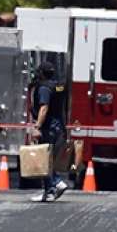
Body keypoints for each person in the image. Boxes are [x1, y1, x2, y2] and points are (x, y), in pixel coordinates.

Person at [30, 61, 70, 202]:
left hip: (49, 127)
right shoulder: (57, 87)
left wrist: (37, 127)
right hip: (58, 126)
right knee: (46, 159)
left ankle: (57, 182)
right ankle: (49, 192)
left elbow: (44, 108)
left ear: (41, 73)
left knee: (44, 159)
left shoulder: (44, 89)